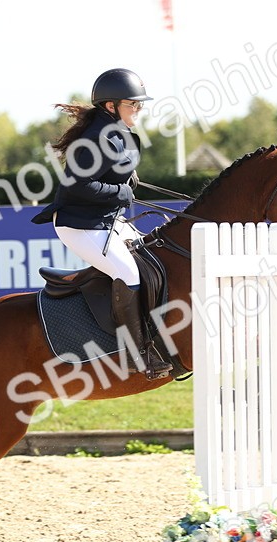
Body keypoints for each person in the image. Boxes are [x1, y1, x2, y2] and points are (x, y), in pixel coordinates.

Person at [32, 67, 172, 380]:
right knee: (128, 273)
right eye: (132, 104)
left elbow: (113, 172)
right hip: (80, 225)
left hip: (105, 220)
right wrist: (122, 191)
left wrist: (126, 180)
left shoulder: (117, 132)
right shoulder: (94, 140)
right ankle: (137, 354)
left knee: (151, 256)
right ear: (111, 106)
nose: (138, 109)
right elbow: (78, 186)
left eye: (139, 104)